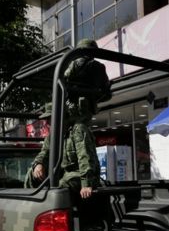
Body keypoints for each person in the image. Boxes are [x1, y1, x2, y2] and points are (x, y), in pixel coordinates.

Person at [30, 39, 111, 199]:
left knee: (56, 189)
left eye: (51, 118)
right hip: (66, 174)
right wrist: (37, 165)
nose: (48, 122)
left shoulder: (77, 130)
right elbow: (45, 152)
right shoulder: (55, 135)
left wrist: (86, 183)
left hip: (77, 176)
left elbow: (84, 158)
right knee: (32, 178)